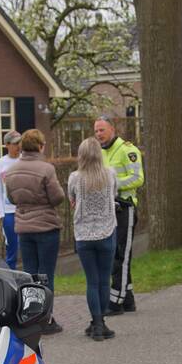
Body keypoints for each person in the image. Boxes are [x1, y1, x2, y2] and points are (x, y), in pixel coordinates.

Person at [5, 129, 65, 335]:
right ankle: (47, 319)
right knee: (46, 274)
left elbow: (11, 198)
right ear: (40, 146)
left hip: (23, 226)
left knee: (30, 274)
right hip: (46, 225)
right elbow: (57, 197)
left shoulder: (12, 171)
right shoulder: (46, 169)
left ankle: (31, 318)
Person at [68, 138, 118, 341]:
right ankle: (101, 323)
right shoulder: (110, 174)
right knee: (104, 279)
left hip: (84, 234)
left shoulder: (75, 177)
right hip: (107, 231)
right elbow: (114, 194)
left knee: (92, 281)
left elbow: (72, 199)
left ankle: (95, 322)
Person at [95, 118, 144, 316]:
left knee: (121, 257)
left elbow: (138, 178)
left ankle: (115, 302)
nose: (99, 134)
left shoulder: (127, 150)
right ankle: (128, 300)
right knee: (115, 255)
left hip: (125, 208)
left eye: (102, 130)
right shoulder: (99, 152)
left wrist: (112, 184)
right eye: (96, 131)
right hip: (109, 209)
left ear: (112, 130)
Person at [0, 130, 23, 269]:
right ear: (7, 145)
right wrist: (1, 214)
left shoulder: (24, 160)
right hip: (8, 212)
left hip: (24, 210)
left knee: (26, 246)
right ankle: (12, 277)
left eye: (19, 143)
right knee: (12, 248)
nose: (18, 146)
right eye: (15, 143)